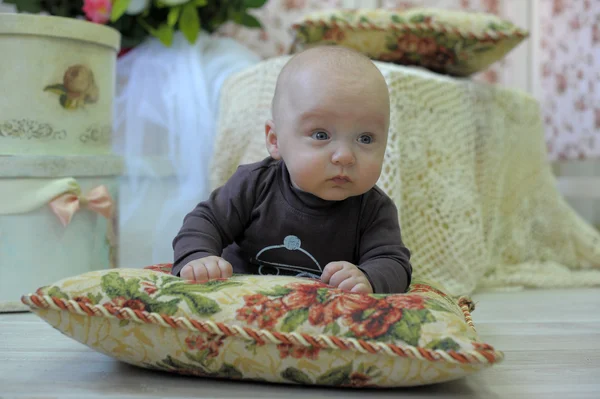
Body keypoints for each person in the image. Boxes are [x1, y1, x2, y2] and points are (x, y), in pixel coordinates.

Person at [172, 46, 412, 294]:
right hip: (243, 303)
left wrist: (368, 278)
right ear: (275, 140)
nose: (345, 156)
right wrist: (198, 257)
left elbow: (393, 262)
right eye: (321, 135)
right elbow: (205, 221)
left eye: (365, 138)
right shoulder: (254, 185)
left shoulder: (373, 209)